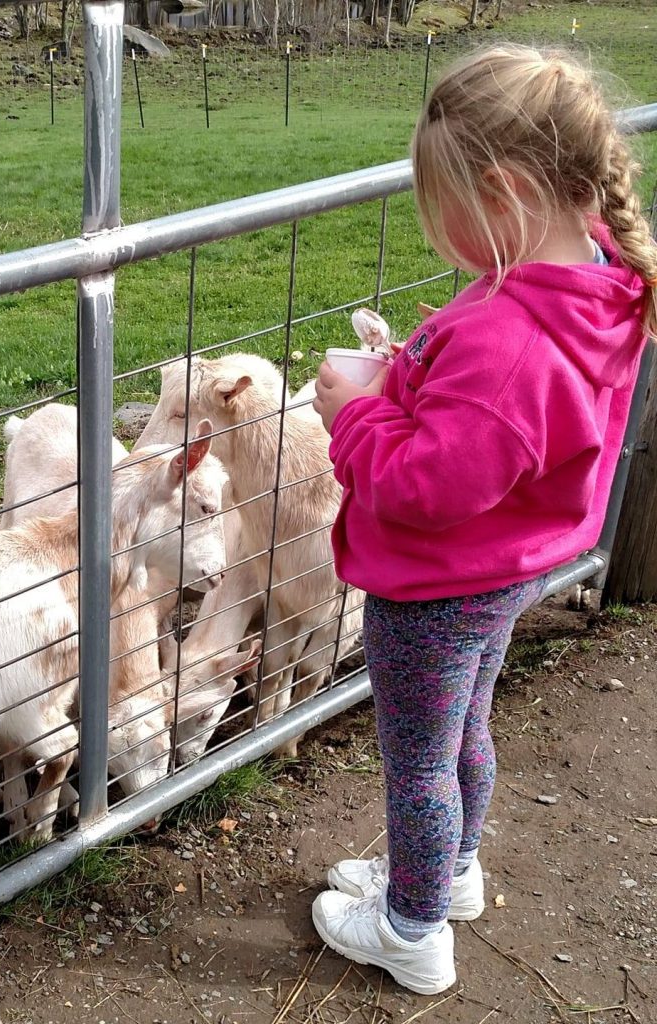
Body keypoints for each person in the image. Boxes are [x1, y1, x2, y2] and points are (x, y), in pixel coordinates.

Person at [310, 43, 656, 996]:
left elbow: (425, 486)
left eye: (444, 208)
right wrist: (426, 363)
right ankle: (449, 876)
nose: (437, 232)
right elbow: (506, 424)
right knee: (464, 732)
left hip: (437, 584)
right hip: (508, 569)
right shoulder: (594, 275)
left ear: (504, 193)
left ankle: (412, 930)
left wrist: (355, 411)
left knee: (418, 759)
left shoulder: (508, 341)